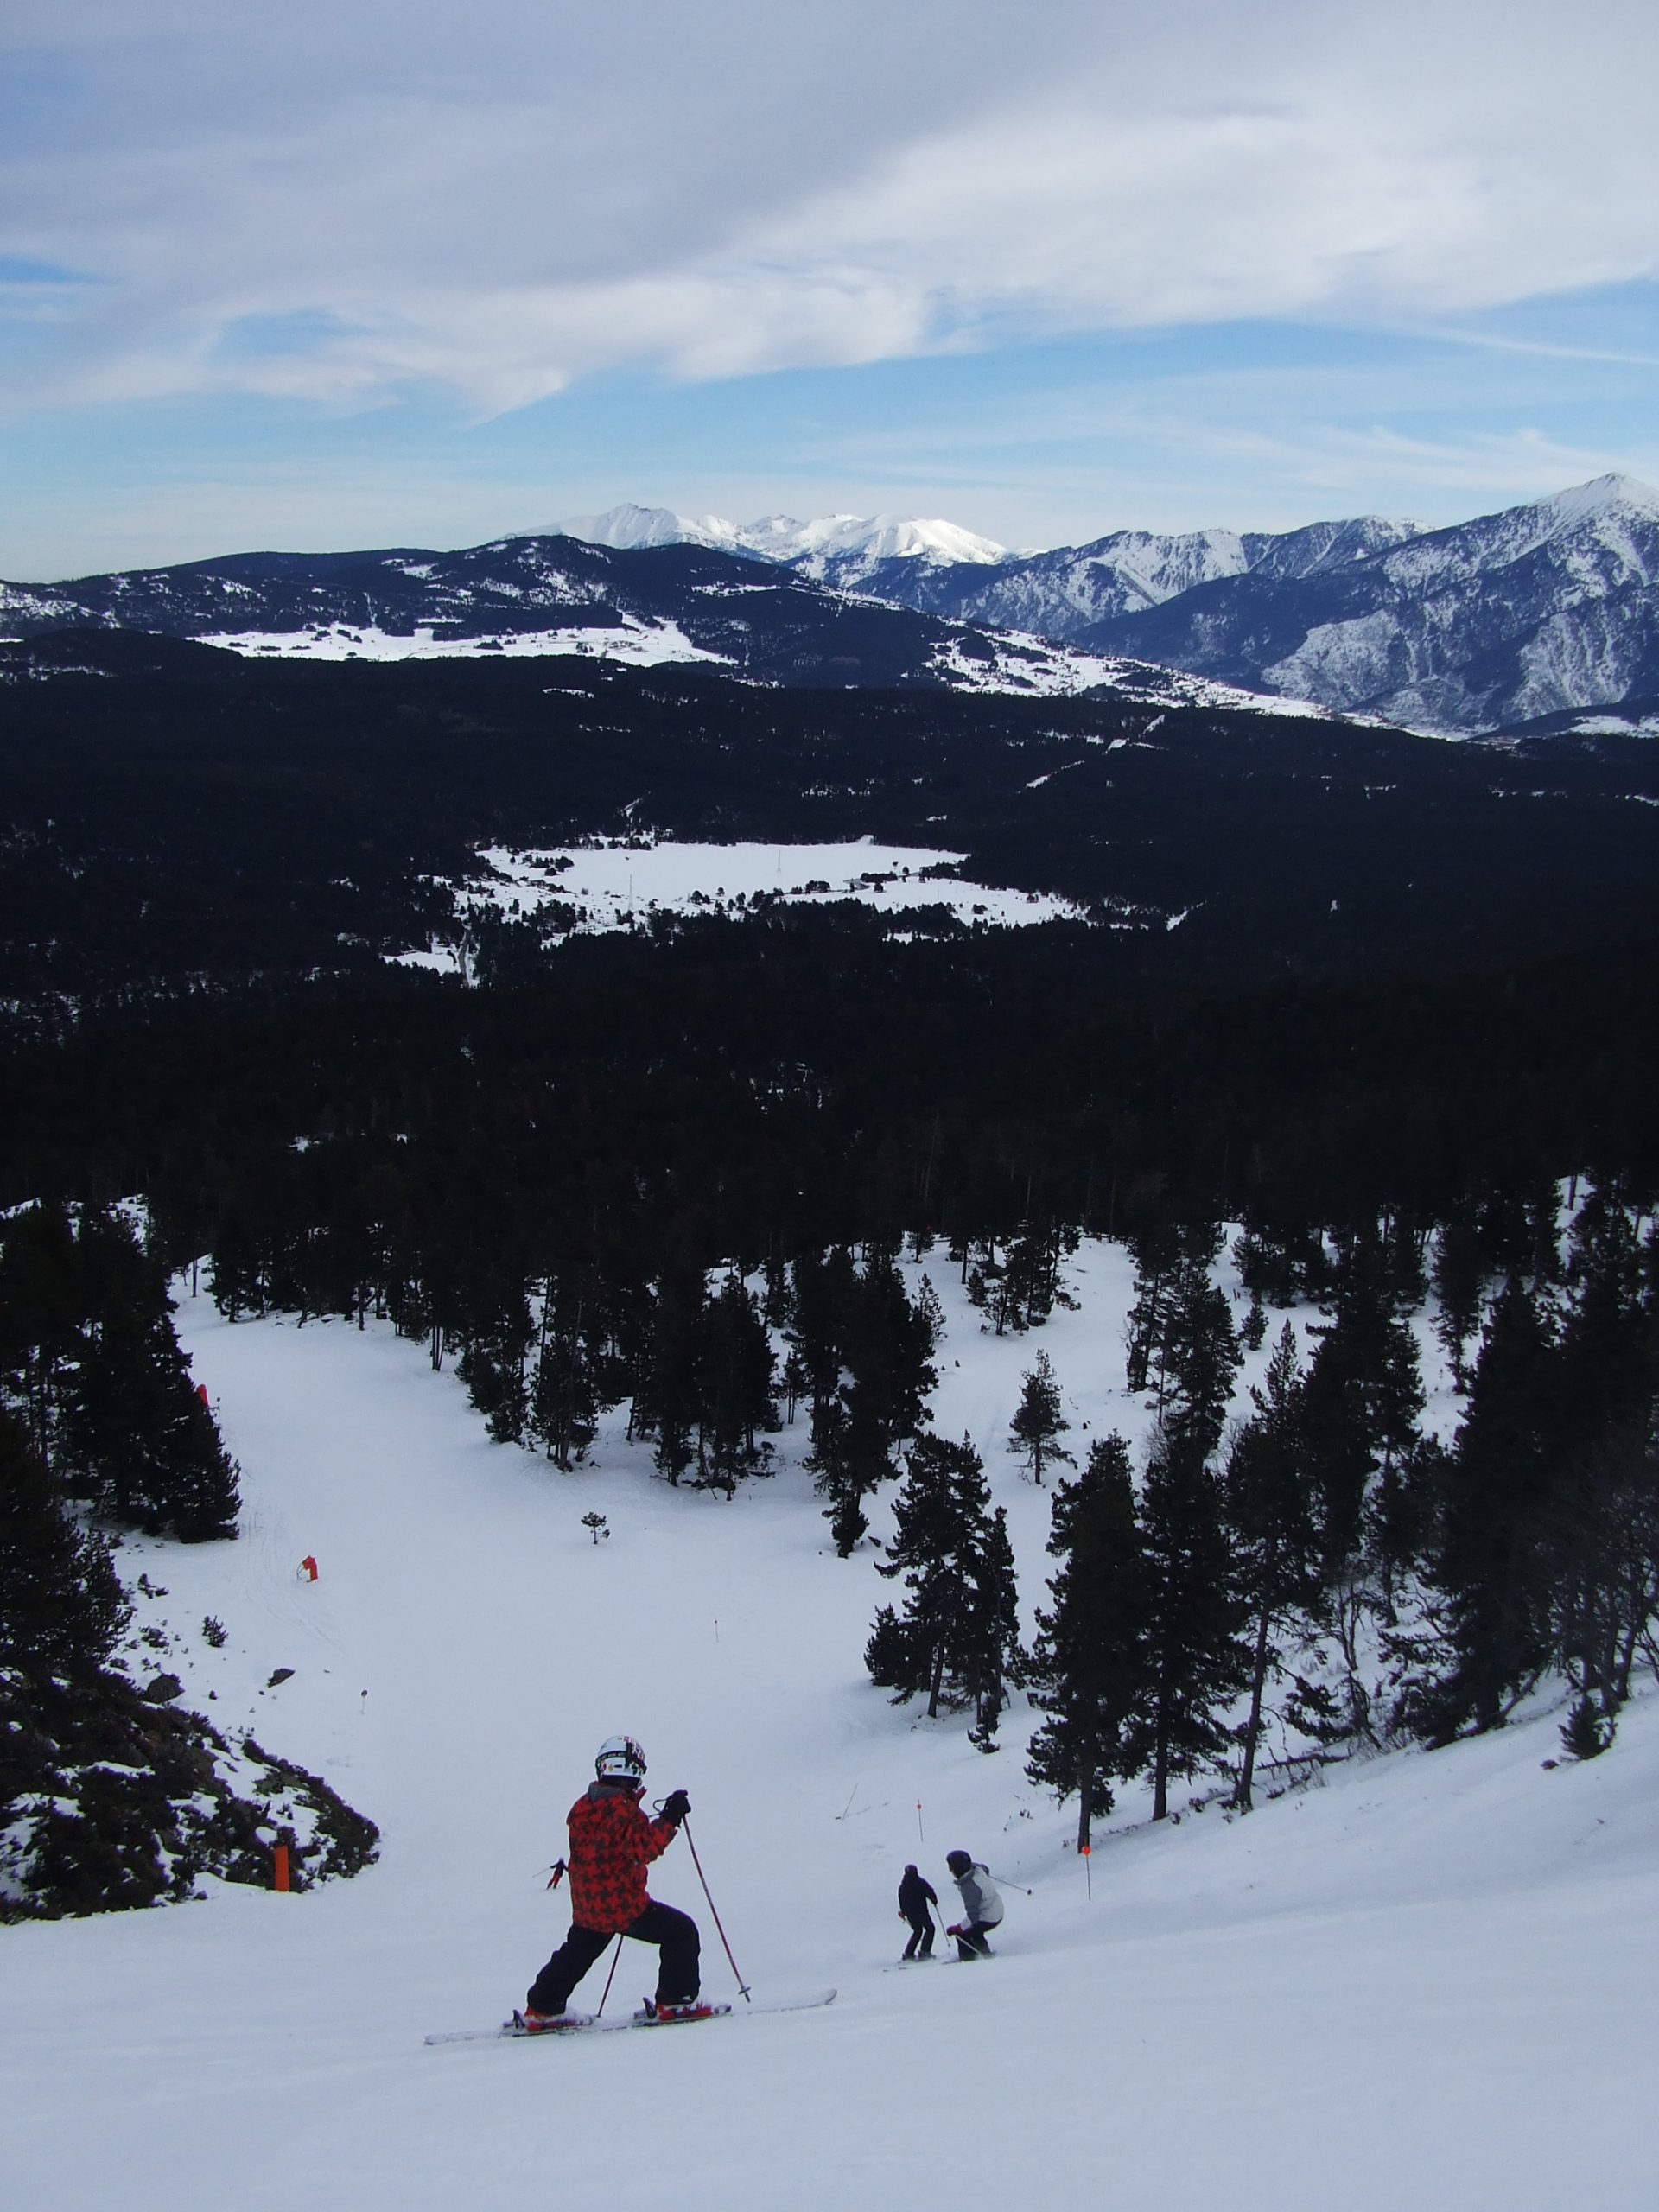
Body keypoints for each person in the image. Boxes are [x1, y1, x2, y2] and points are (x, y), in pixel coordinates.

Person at [520, 1735, 703, 2030]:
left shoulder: (582, 1808)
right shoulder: (626, 1812)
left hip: (588, 1904)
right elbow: (644, 1849)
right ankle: (675, 2001)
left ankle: (542, 2006)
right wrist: (670, 1818)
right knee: (681, 1933)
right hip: (624, 1905)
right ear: (634, 1770)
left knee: (576, 1953)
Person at [944, 1847, 1004, 1961]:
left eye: (951, 1867)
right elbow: (986, 1868)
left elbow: (973, 1917)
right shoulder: (977, 1869)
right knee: (975, 1931)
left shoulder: (969, 1887)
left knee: (963, 1935)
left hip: (990, 1916)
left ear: (958, 1869)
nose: (950, 1870)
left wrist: (957, 1929)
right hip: (996, 1908)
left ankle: (968, 1960)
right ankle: (985, 1952)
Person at [897, 1863, 938, 1960]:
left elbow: (901, 1901)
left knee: (917, 1931)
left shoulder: (903, 1886)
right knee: (930, 1929)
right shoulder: (919, 1882)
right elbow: (929, 1891)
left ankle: (909, 1953)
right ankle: (925, 1951)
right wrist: (934, 1899)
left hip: (911, 1914)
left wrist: (903, 1912)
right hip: (922, 1912)